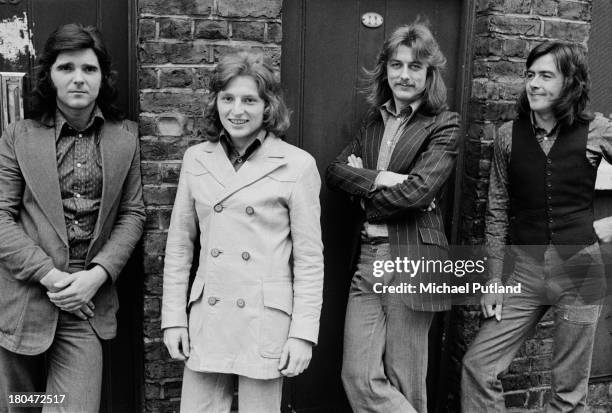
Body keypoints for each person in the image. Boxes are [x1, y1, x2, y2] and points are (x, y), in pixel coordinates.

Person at [161, 50, 324, 413]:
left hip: (264, 319)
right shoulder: (196, 159)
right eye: (228, 98)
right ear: (216, 103)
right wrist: (173, 319)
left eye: (250, 100)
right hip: (209, 314)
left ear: (268, 106)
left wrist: (303, 334)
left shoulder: (297, 165)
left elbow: (310, 261)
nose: (238, 110)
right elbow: (179, 247)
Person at [0, 23, 145, 412]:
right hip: (24, 296)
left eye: (89, 69)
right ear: (49, 75)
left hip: (87, 302)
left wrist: (96, 276)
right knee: (20, 405)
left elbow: (133, 214)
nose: (78, 79)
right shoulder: (18, 137)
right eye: (66, 68)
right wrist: (50, 276)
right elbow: (0, 216)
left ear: (102, 77)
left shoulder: (125, 137)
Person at [462, 41, 612, 412]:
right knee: (478, 366)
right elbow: (496, 211)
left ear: (570, 83)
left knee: (568, 392)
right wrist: (494, 280)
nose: (533, 83)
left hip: (580, 267)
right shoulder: (508, 136)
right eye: (530, 74)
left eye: (546, 75)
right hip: (524, 272)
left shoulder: (596, 130)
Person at [326, 22, 460, 412]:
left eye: (415, 66)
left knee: (405, 377)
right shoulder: (372, 122)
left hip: (415, 258)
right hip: (368, 259)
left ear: (429, 73)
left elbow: (420, 191)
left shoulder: (443, 124)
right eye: (396, 65)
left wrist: (366, 195)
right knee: (358, 376)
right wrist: (382, 178)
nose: (404, 75)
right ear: (385, 69)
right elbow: (335, 173)